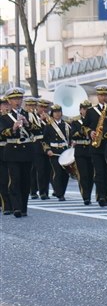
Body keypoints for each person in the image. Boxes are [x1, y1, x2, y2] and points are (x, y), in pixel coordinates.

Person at [0, 88, 43, 217]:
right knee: (15, 180)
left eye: (19, 99)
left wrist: (27, 124)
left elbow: (39, 131)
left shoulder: (28, 115)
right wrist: (12, 128)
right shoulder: (4, 117)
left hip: (26, 151)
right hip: (12, 151)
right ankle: (16, 207)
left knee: (26, 181)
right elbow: (2, 133)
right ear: (9, 101)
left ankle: (23, 208)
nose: (17, 101)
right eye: (14, 99)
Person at [42, 103, 74, 201]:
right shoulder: (49, 126)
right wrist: (48, 150)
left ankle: (62, 192)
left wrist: (72, 144)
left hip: (64, 152)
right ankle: (59, 193)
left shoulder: (66, 125)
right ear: (52, 113)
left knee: (65, 174)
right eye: (55, 112)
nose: (57, 114)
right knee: (57, 172)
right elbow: (44, 140)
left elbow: (71, 138)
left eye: (59, 112)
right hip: (54, 152)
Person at [71, 100, 95, 205]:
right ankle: (86, 196)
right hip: (80, 149)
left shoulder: (94, 120)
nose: (86, 111)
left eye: (88, 109)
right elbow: (73, 135)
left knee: (91, 174)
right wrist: (83, 131)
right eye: (84, 109)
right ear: (80, 110)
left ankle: (89, 193)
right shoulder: (76, 121)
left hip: (91, 148)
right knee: (83, 174)